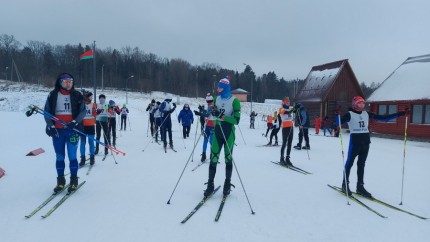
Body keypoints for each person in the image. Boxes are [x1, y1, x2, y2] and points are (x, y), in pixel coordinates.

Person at [340, 96, 408, 197]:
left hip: (366, 142)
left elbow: (383, 119)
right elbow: (337, 123)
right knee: (349, 163)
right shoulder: (349, 114)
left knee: (361, 164)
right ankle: (345, 184)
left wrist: (401, 114)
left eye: (363, 103)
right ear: (354, 104)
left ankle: (360, 187)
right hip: (355, 142)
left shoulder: (366, 113)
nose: (362, 105)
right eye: (359, 103)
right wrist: (337, 117)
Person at [44, 73, 86, 193]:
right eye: (65, 81)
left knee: (72, 156)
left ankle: (73, 180)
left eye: (70, 81)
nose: (68, 83)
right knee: (59, 156)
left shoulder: (77, 95)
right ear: (60, 82)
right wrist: (50, 126)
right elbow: (47, 112)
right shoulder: (53, 94)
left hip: (72, 130)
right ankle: (61, 182)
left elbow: (82, 111)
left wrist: (75, 122)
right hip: (57, 131)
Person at [204, 77, 241, 197]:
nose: (217, 88)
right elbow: (212, 113)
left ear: (225, 88)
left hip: (229, 132)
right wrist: (207, 113)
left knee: (228, 158)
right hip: (217, 131)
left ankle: (227, 184)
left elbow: (236, 121)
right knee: (213, 158)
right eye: (218, 86)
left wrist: (222, 116)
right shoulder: (216, 99)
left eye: (220, 87)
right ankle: (210, 185)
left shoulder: (235, 101)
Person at [194, 94, 215, 162]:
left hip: (212, 126)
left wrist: (200, 113)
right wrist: (202, 109)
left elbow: (207, 114)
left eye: (208, 101)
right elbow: (206, 112)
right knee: (206, 141)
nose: (208, 103)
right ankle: (204, 154)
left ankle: (210, 155)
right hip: (208, 126)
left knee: (210, 141)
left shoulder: (212, 106)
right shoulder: (210, 106)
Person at [79, 91, 97, 167]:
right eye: (90, 97)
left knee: (91, 142)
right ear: (87, 97)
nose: (92, 98)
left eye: (92, 97)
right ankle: (83, 158)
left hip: (91, 126)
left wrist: (96, 112)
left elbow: (95, 114)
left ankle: (92, 157)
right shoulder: (81, 104)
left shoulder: (94, 104)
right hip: (82, 126)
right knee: (82, 143)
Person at [278, 97, 295, 166]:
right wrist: (294, 109)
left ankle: (287, 158)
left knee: (290, 143)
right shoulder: (281, 108)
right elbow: (286, 112)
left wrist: (298, 107)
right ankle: (282, 158)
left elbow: (294, 111)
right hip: (285, 127)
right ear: (284, 102)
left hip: (291, 127)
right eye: (287, 102)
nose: (288, 103)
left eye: (289, 102)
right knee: (284, 143)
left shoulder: (289, 108)